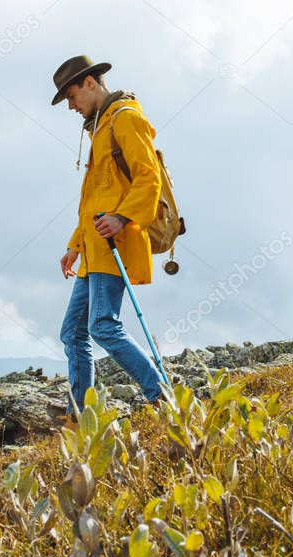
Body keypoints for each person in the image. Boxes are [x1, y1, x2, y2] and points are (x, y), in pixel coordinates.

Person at [50, 55, 165, 422]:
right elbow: (93, 201)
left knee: (102, 326)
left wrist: (121, 217)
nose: (70, 106)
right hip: (94, 249)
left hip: (115, 243)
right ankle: (79, 416)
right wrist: (74, 245)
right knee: (72, 332)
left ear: (89, 82)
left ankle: (160, 395)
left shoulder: (125, 118)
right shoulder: (99, 128)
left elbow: (149, 178)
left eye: (70, 96)